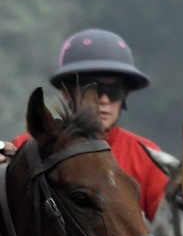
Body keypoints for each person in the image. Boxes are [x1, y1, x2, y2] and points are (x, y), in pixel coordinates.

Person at [6, 28, 167, 221]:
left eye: (114, 90)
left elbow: (168, 230)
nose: (105, 99)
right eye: (95, 89)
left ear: (124, 96)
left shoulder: (147, 154)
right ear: (67, 93)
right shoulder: (28, 147)